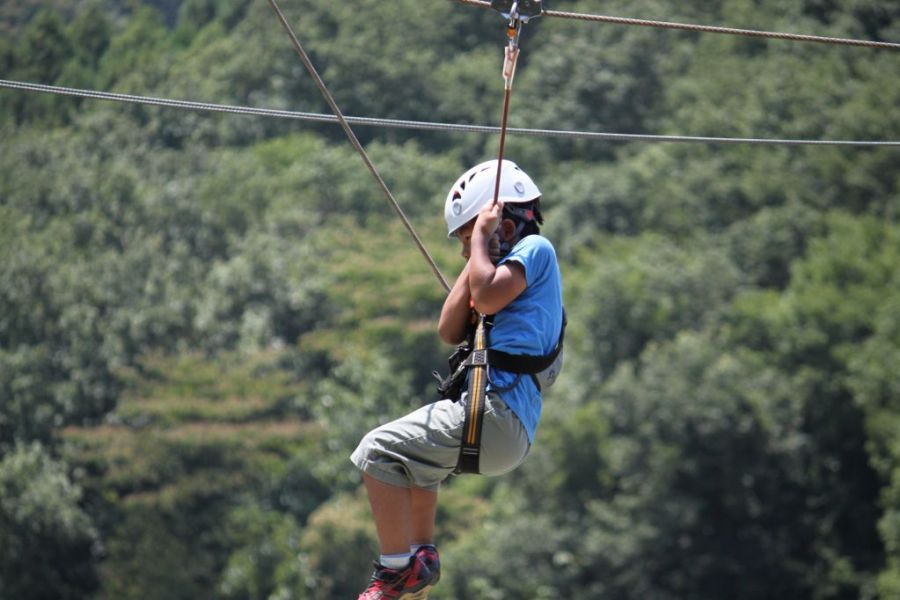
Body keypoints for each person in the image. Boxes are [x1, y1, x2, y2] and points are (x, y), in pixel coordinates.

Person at [351, 159, 564, 599]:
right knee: (415, 464)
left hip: (497, 413)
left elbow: (486, 298)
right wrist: (478, 252)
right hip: (497, 422)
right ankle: (421, 553)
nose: (467, 253)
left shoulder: (537, 251)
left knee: (376, 451)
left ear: (505, 227)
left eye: (468, 241)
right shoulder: (492, 269)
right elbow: (449, 329)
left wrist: (483, 242)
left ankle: (395, 572)